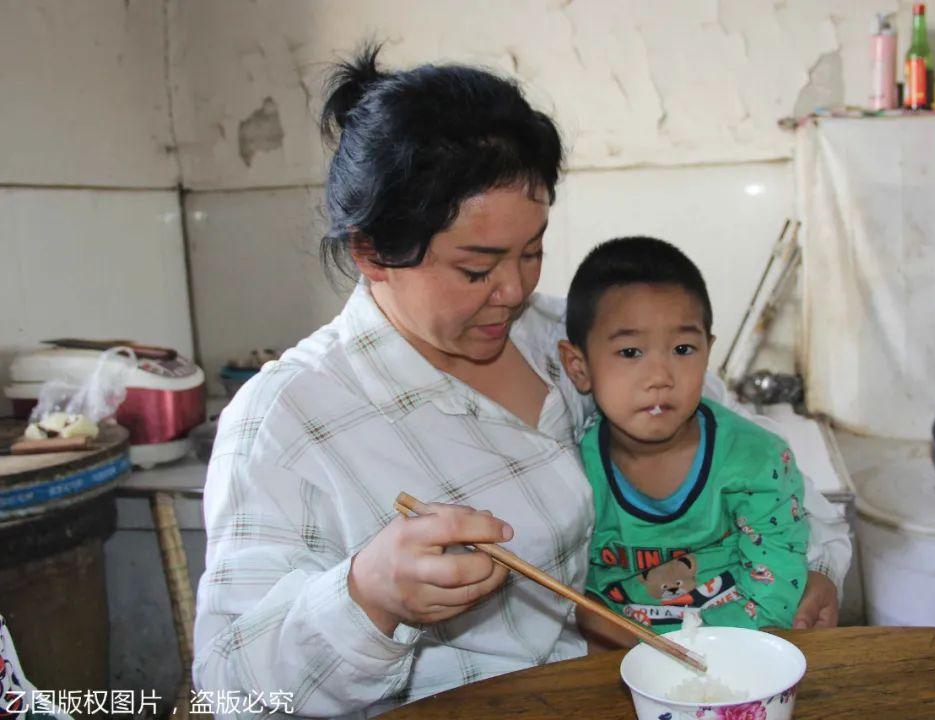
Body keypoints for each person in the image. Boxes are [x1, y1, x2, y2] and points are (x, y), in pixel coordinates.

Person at [193, 44, 851, 719]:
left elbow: (765, 474)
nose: (512, 290)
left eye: (532, 250)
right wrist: (368, 595)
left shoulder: (569, 339)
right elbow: (233, 689)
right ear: (372, 252)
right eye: (477, 269)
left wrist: (818, 572)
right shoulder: (292, 416)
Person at [557, 238, 807, 648]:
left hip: (741, 655)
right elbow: (582, 601)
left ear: (708, 352)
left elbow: (776, 590)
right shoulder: (574, 474)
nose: (660, 376)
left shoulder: (758, 460)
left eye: (683, 349)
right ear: (578, 366)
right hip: (621, 663)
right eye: (631, 351)